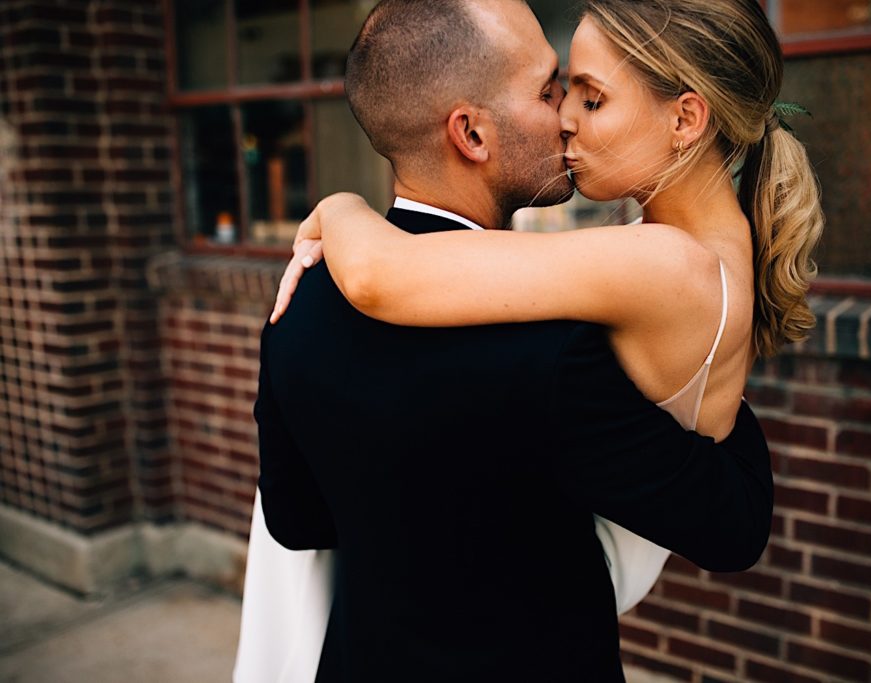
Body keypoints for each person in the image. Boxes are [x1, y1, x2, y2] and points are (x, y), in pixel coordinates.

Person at [241, 0, 783, 681]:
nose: (563, 115)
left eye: (584, 93)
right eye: (550, 89)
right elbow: (728, 523)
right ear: (470, 133)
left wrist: (341, 204)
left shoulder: (300, 299)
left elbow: (297, 522)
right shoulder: (557, 347)